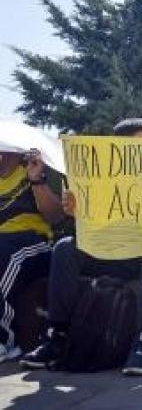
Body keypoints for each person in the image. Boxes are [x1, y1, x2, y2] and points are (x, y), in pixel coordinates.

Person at [21, 118, 142, 376]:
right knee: (65, 248)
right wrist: (78, 211)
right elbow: (96, 229)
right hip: (115, 251)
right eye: (134, 148)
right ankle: (54, 337)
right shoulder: (101, 176)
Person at [0, 147, 63, 362]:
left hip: (33, 243)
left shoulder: (36, 168)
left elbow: (56, 216)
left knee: (4, 254)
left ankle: (3, 340)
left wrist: (37, 181)